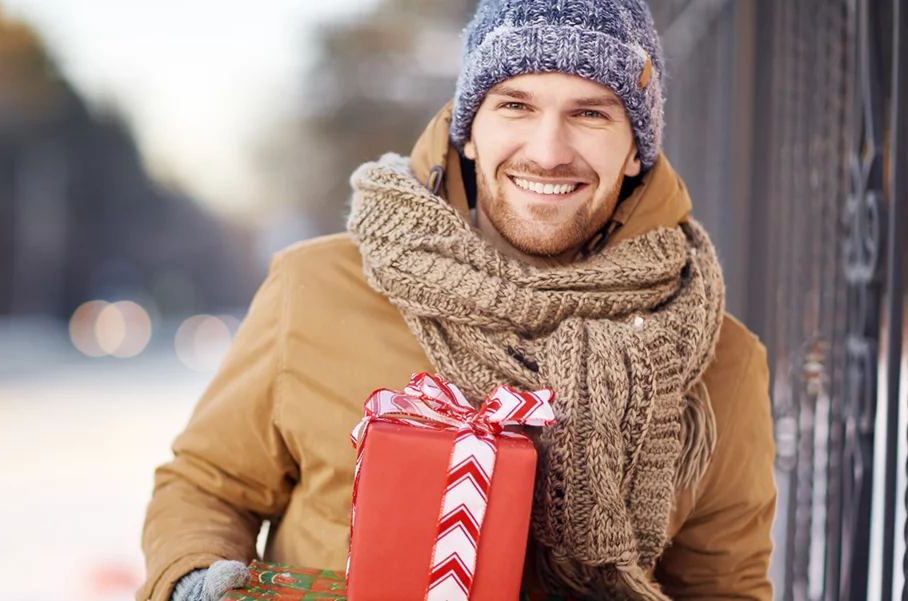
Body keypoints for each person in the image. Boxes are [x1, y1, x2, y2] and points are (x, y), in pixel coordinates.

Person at [138, 0, 777, 599]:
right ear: (468, 130)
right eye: (516, 105)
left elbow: (724, 587)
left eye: (590, 113)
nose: (548, 152)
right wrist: (193, 578)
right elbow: (206, 484)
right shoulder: (316, 287)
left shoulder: (718, 359)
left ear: (636, 149)